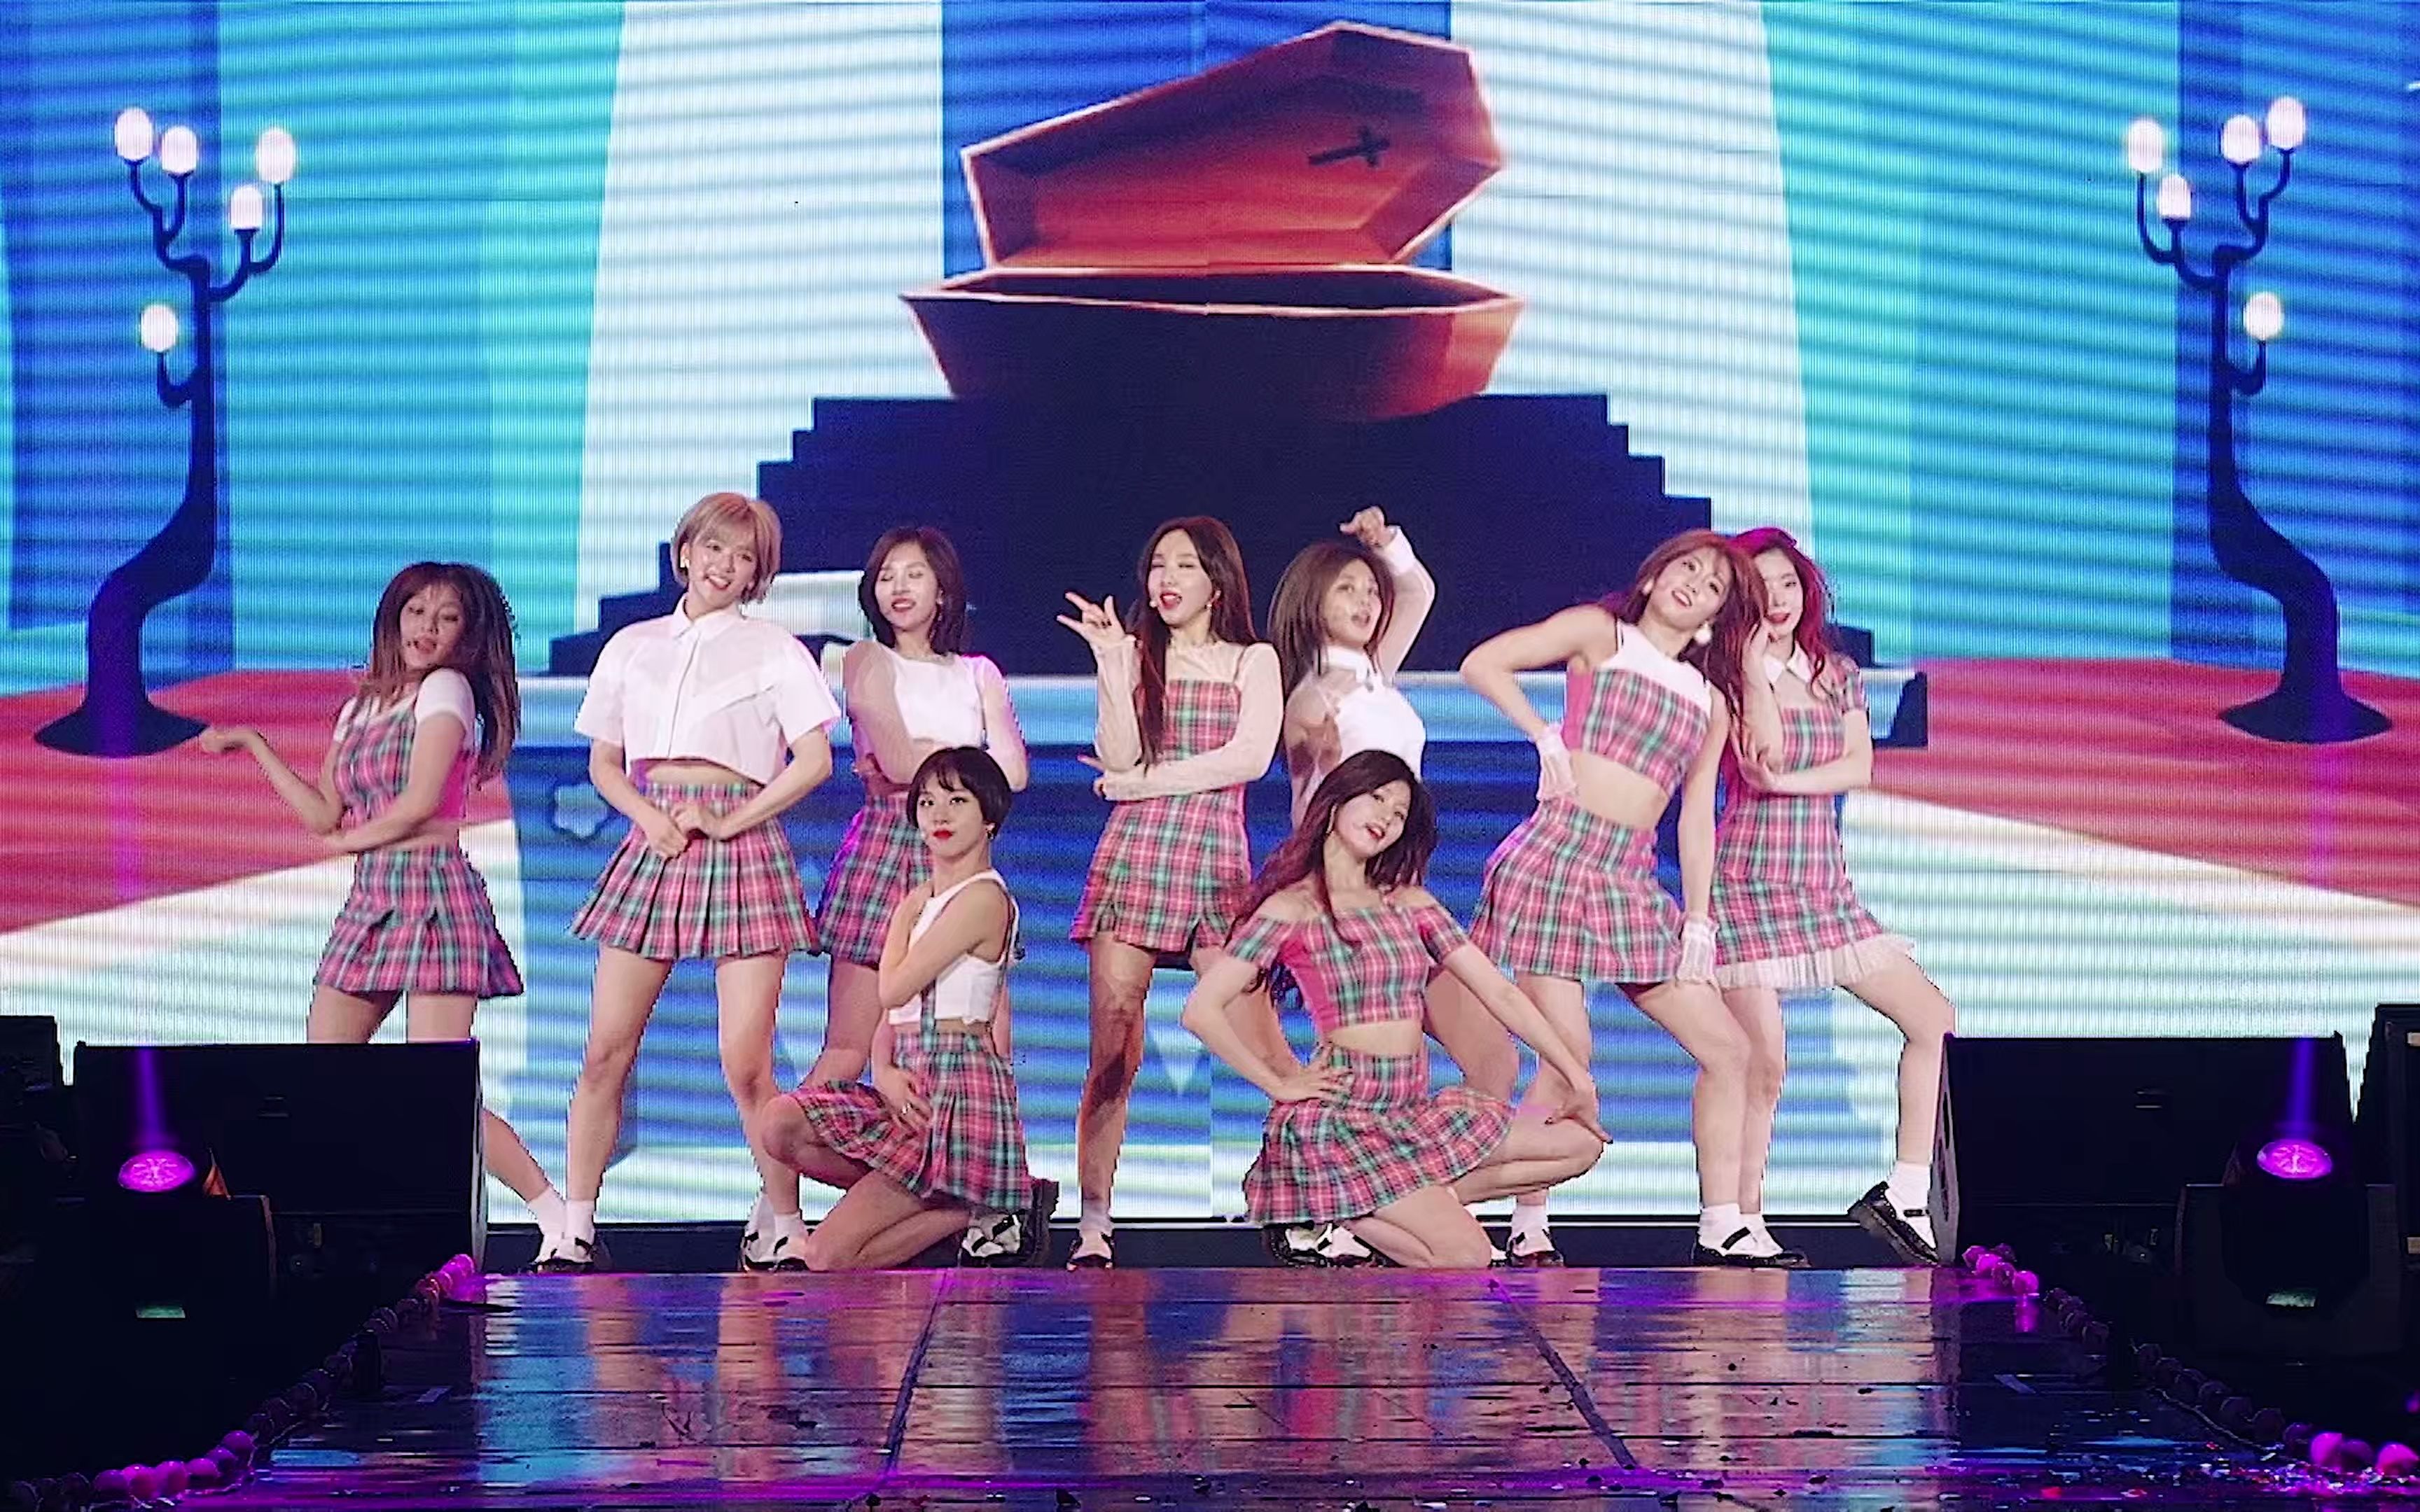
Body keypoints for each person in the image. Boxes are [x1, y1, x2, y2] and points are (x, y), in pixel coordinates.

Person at [201, 562, 563, 1255]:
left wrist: (352, 841)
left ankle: (558, 1218)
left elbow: (421, 802)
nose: (428, 629)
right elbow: (324, 814)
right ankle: (329, 1227)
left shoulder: (447, 690)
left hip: (434, 892)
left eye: (447, 618)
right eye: (417, 612)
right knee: (321, 1076)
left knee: (438, 1085)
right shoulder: (362, 706)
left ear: (466, 634)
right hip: (372, 898)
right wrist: (255, 746)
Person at [1456, 529, 1776, 1266]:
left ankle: (1723, 1222)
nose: (1694, 584)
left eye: (1715, 586)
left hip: (1630, 879)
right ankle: (1527, 1223)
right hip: (1557, 859)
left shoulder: (1707, 699)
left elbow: (1696, 816)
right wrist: (1543, 736)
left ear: (1716, 616)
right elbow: (1483, 663)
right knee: (1566, 1054)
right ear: (1655, 574)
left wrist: (1699, 920)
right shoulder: (1600, 635)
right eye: (1687, 567)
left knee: (1730, 1049)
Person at [548, 491, 839, 1273]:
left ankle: (785, 1225)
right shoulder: (632, 646)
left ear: (758, 575)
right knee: (606, 1050)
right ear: (685, 553)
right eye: (714, 548)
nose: (725, 566)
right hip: (658, 838)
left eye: (744, 558)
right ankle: (574, 1228)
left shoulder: (776, 649)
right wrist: (649, 816)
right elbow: (603, 761)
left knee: (746, 1062)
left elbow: (814, 760)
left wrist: (735, 819)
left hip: (740, 841)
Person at [1180, 751, 1607, 1268]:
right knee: (1466, 1256)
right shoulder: (1292, 909)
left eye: (1399, 812)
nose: (1386, 816)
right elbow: (1201, 1010)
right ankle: (1350, 1205)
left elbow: (1501, 994)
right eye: (1377, 798)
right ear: (1336, 803)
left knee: (1580, 1145)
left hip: (1408, 1113)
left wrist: (1576, 1076)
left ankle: (1384, 1202)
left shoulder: (1409, 903)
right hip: (1344, 1121)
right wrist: (1279, 1085)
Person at [1716, 527, 1955, 1264]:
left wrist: (1788, 784)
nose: (1779, 601)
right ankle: (1739, 1223)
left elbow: (1858, 767)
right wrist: (1750, 665)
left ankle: (1906, 1191)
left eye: (1788, 584)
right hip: (1747, 884)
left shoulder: (1836, 672)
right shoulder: (1727, 676)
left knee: (1934, 1021)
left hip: (1824, 887)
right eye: (1761, 590)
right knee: (1763, 1065)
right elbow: (1758, 759)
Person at [1058, 515, 1285, 1268]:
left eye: (1185, 564)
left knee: (1258, 1038)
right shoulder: (1137, 655)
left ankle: (1306, 1197)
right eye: (1158, 564)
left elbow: (1248, 760)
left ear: (1217, 581)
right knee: (1113, 1047)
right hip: (1138, 855)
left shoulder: (1252, 660)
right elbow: (1120, 753)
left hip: (1216, 860)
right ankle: (1094, 1219)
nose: (1167, 579)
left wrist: (1137, 785)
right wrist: (1110, 661)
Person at [761, 747, 1056, 1268]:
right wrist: (884, 1070)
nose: (939, 815)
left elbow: (894, 988)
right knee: (779, 1124)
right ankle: (962, 1201)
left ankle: (983, 1205)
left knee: (826, 1257)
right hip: (911, 1078)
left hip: (954, 1088)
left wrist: (901, 917)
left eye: (957, 801)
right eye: (926, 802)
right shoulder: (928, 899)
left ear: (989, 817)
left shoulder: (981, 899)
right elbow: (896, 1014)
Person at [1270, 507, 1518, 1111]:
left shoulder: (1375, 675)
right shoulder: (1310, 694)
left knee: (1493, 1059)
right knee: (1374, 1078)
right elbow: (1310, 795)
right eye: (1346, 589)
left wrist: (1388, 544)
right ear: (1312, 600)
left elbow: (1418, 591)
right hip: (1353, 905)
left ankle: (1421, 1167)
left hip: (1402, 887)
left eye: (1370, 591)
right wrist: (1316, 740)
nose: (1366, 601)